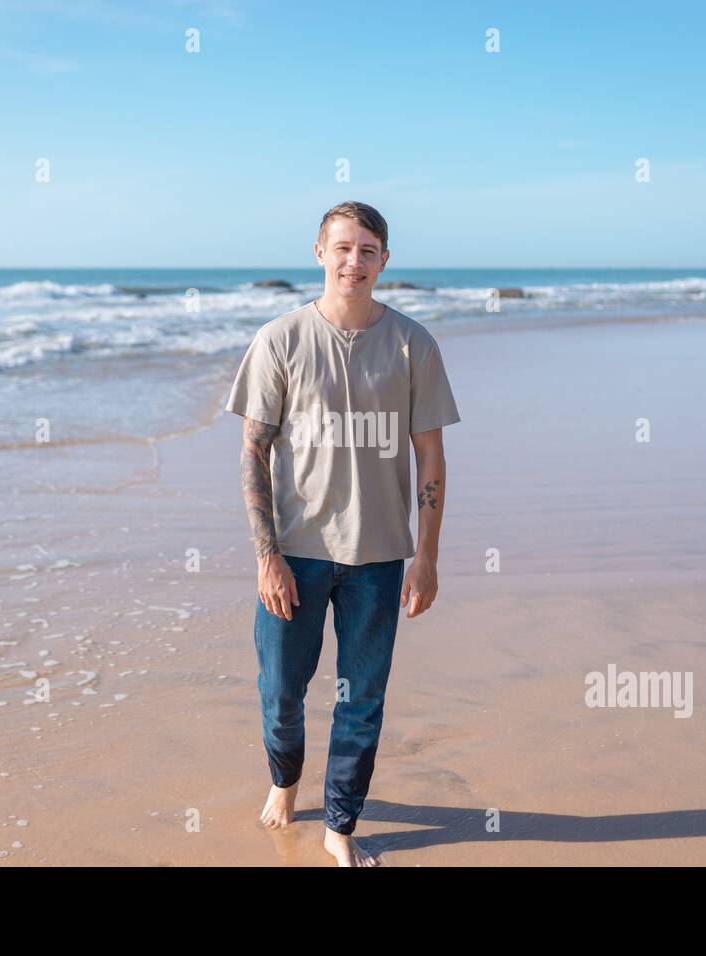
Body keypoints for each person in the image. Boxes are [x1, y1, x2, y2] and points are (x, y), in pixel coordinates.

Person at [224, 201, 461, 866]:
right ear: (320, 253)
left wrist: (428, 559)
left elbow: (431, 458)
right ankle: (284, 782)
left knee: (362, 700)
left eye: (367, 250)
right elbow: (252, 452)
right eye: (342, 248)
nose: (353, 261)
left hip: (379, 557)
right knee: (280, 693)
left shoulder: (414, 344)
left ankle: (339, 825)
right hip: (295, 555)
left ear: (384, 260)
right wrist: (266, 555)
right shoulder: (280, 339)